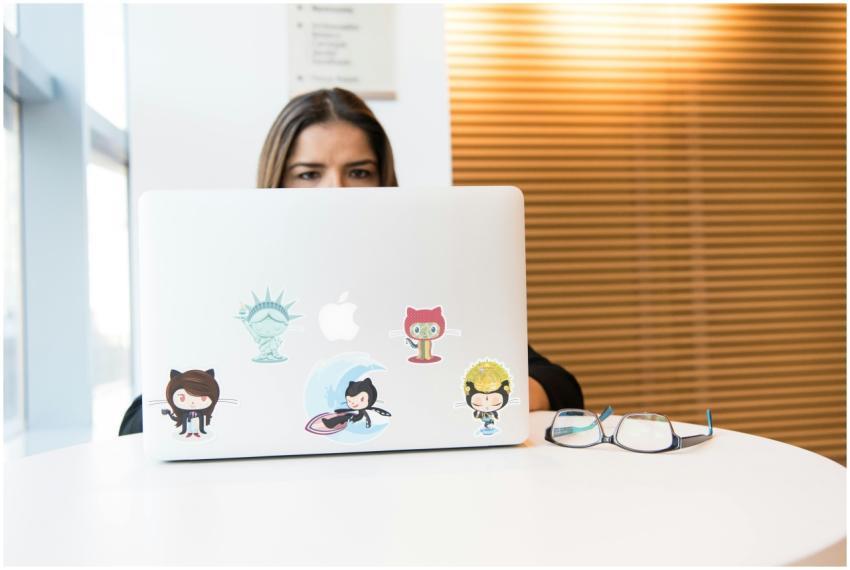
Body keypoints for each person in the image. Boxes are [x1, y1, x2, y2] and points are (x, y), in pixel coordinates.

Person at [119, 87, 582, 436]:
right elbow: (140, 420)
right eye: (309, 174)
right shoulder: (240, 285)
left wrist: (487, 396)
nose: (335, 191)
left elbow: (558, 385)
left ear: (385, 180)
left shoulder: (425, 271)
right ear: (276, 181)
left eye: (358, 172)